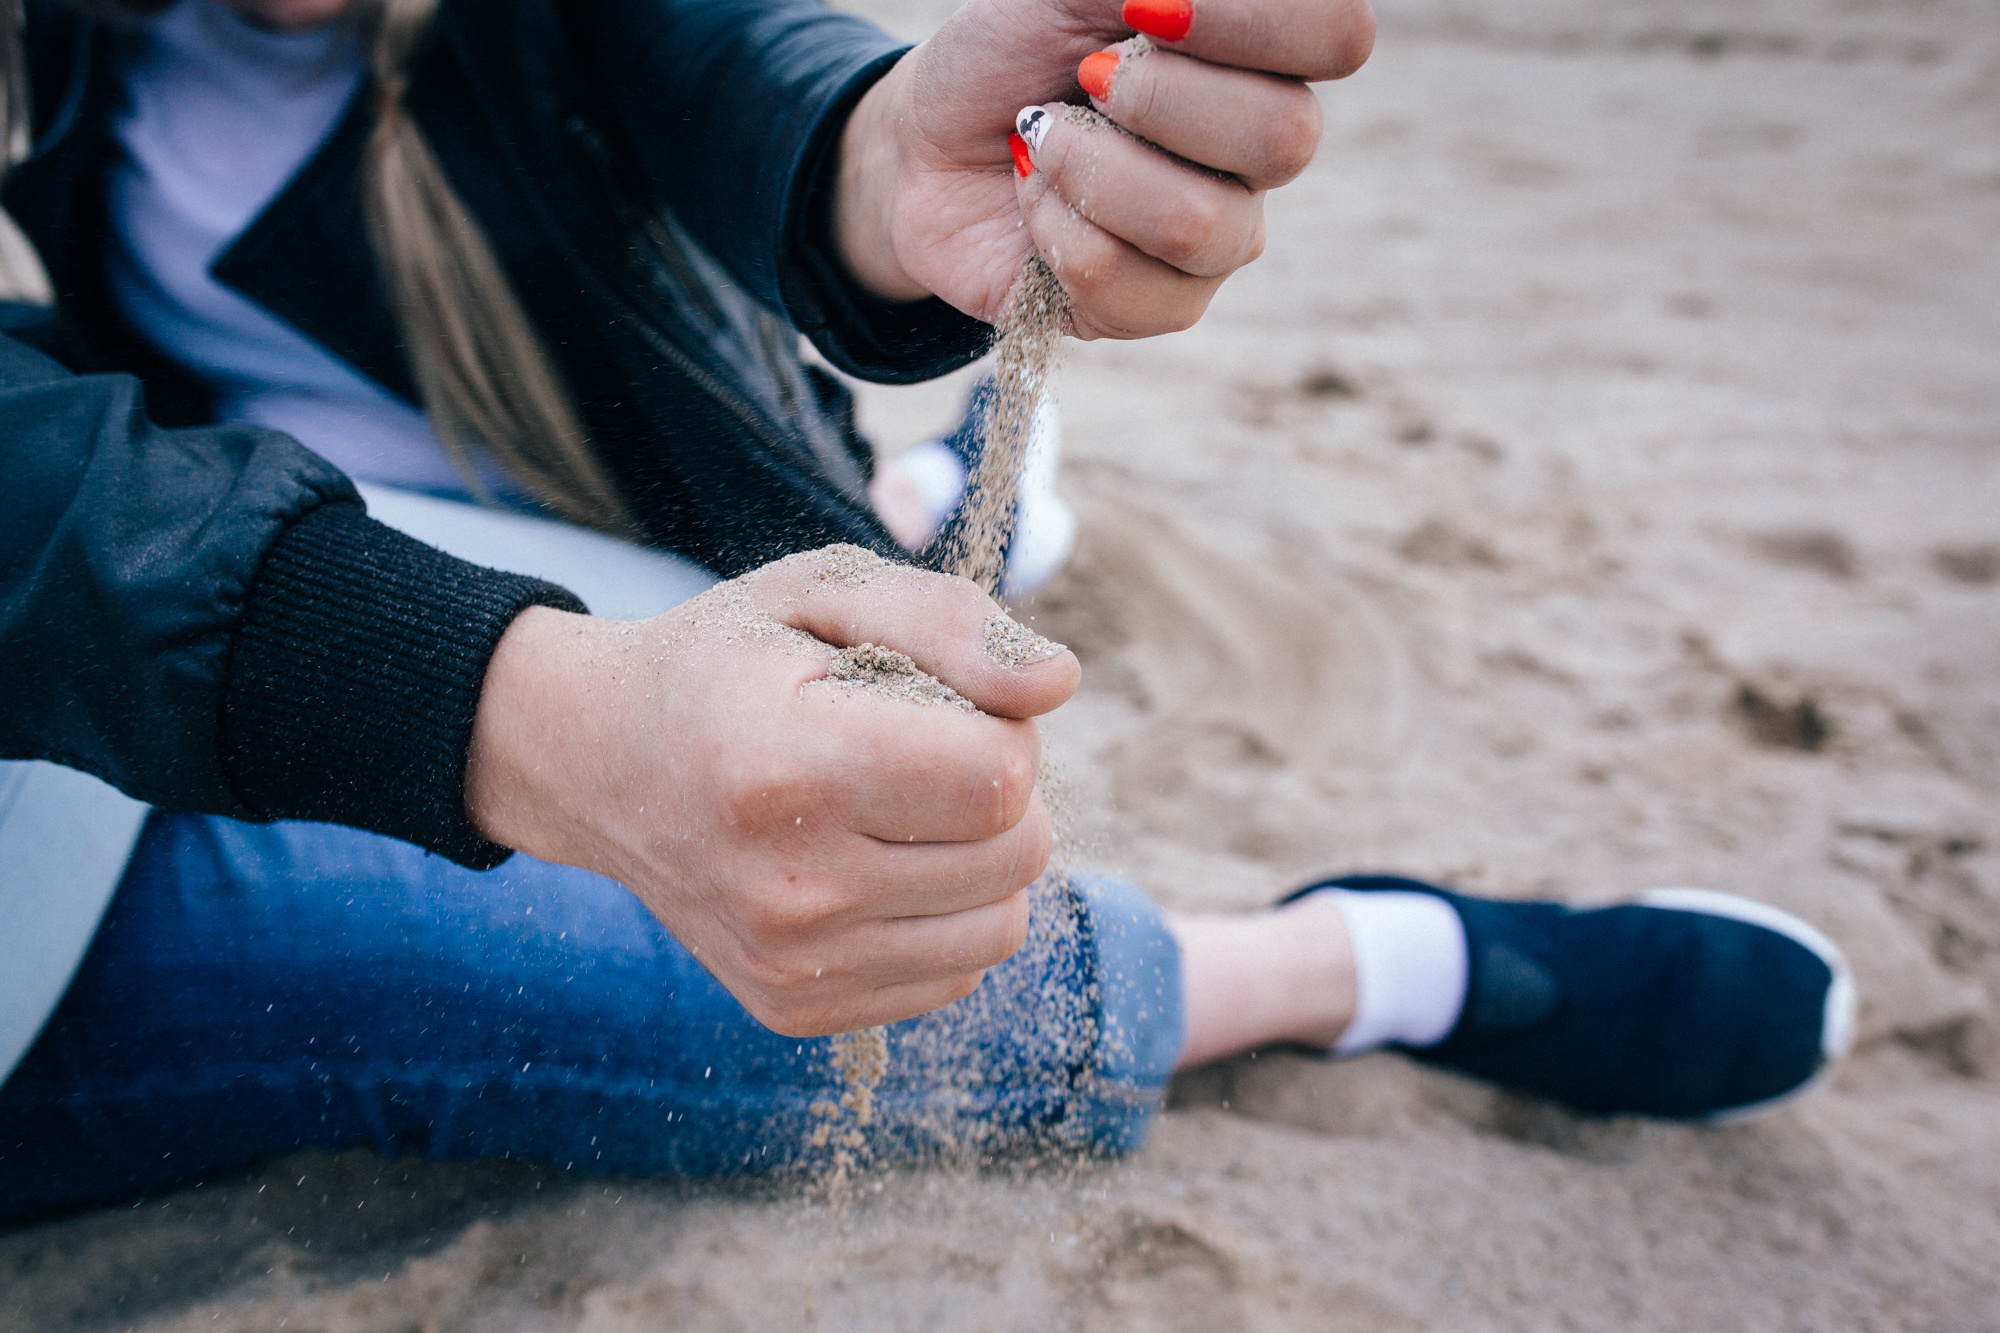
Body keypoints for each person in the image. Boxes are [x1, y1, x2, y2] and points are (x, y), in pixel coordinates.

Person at [0, 0, 1854, 1223]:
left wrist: (879, 161)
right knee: (769, 942)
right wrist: (531, 715)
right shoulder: (76, 64)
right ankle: (1348, 955)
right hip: (235, 602)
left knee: (828, 857)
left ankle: (986, 536)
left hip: (557, 526)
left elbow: (750, 79)